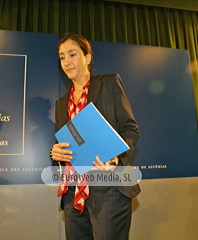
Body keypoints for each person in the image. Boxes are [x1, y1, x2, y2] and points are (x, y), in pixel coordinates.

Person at [50, 33, 140, 240]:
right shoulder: (61, 103)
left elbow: (130, 129)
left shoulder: (109, 84)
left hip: (109, 189)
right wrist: (55, 153)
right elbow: (63, 144)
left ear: (87, 58)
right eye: (62, 57)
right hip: (72, 192)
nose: (66, 62)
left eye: (72, 54)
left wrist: (115, 157)